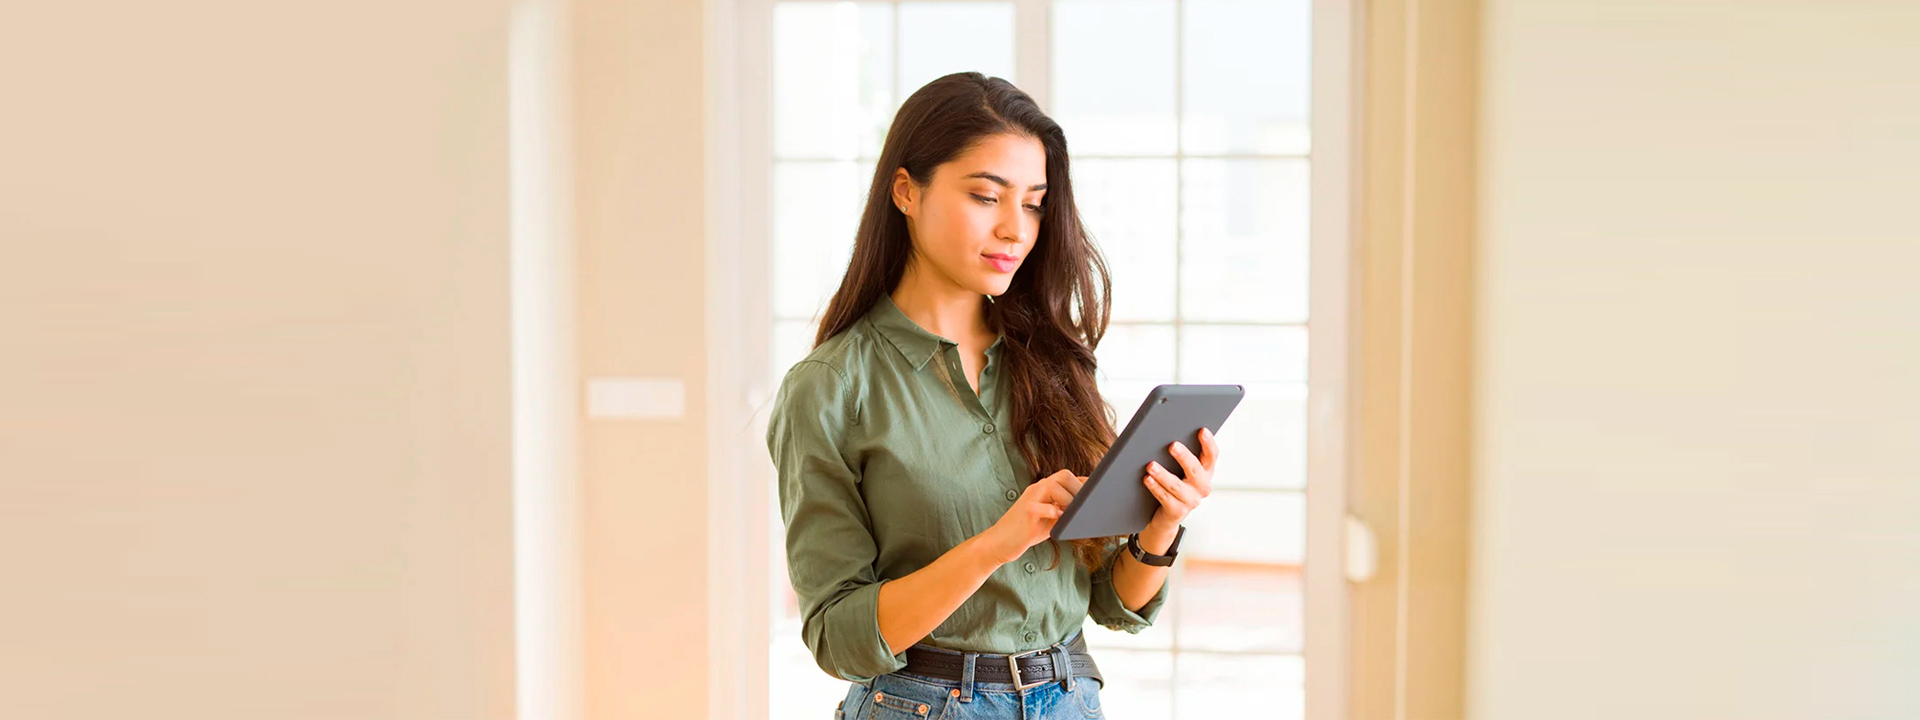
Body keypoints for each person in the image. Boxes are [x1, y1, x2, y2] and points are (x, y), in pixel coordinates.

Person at [766, 72, 1223, 719]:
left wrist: (1162, 525)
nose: (1016, 228)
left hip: (1070, 693)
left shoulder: (1054, 364)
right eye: (987, 195)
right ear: (906, 191)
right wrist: (994, 545)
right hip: (922, 704)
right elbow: (838, 637)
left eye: (1034, 203)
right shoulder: (831, 387)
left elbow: (1112, 602)